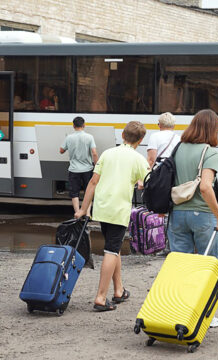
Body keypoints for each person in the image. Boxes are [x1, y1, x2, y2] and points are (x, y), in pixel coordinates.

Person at [75, 121, 149, 312]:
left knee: (113, 248)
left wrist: (84, 209)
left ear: (122, 136)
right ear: (140, 140)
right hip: (118, 210)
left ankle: (119, 290)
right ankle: (100, 297)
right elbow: (148, 182)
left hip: (102, 208)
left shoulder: (108, 153)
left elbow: (93, 182)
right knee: (110, 251)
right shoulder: (138, 159)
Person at [168, 109, 218, 328]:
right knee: (206, 267)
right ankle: (206, 316)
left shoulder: (178, 148)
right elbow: (205, 186)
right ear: (212, 129)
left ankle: (179, 312)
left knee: (180, 266)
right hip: (202, 216)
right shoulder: (209, 151)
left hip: (177, 214)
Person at [59, 116, 98, 216]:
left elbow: (61, 151)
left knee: (74, 192)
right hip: (87, 169)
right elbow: (94, 153)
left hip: (74, 170)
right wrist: (96, 165)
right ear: (84, 125)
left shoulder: (69, 137)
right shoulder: (89, 137)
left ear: (73, 126)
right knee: (88, 191)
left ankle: (77, 213)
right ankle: (88, 213)